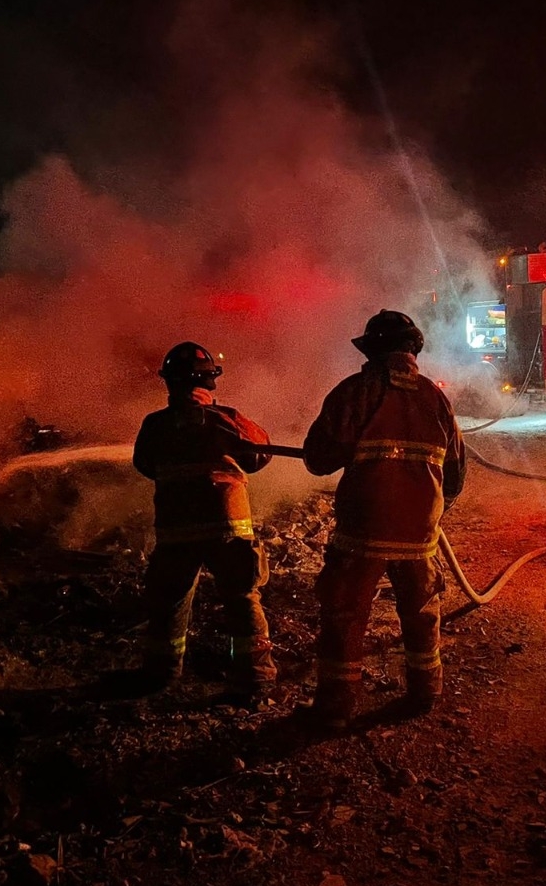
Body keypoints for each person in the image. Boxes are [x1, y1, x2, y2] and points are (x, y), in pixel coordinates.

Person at [303, 310, 466, 729]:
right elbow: (456, 474)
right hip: (419, 533)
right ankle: (425, 690)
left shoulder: (354, 392)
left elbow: (318, 460)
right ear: (414, 350)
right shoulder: (436, 398)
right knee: (422, 609)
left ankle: (336, 707)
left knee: (344, 612)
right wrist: (429, 512)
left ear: (372, 351)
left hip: (363, 531)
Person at [132, 342, 277, 699]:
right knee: (242, 598)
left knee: (169, 600)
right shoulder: (226, 419)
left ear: (169, 383)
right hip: (227, 527)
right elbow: (261, 454)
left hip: (176, 528)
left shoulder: (155, 424)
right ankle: (255, 678)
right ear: (209, 381)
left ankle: (161, 674)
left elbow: (145, 464)